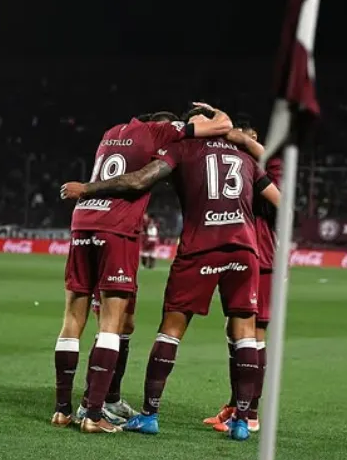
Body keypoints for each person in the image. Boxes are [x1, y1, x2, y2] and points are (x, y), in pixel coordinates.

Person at [60, 107, 280, 441]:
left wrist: (88, 188)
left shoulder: (181, 148)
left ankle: (148, 415)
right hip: (244, 248)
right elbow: (280, 199)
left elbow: (142, 178)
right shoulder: (245, 157)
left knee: (170, 331)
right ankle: (243, 421)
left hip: (200, 246)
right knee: (246, 334)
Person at [202, 121, 282, 433]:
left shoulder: (268, 170)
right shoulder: (236, 170)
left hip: (261, 259)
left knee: (253, 335)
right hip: (239, 257)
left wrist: (245, 143)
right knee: (236, 332)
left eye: (242, 143)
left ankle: (250, 414)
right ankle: (237, 404)